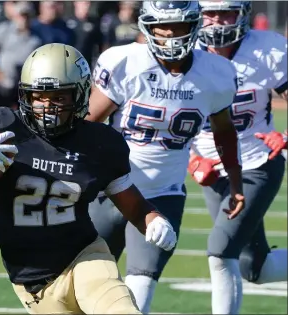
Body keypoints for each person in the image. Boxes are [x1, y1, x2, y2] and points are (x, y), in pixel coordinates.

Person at [0, 43, 178, 315]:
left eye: (59, 97)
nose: (48, 107)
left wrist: (154, 221)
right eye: (40, 97)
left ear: (79, 95)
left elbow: (134, 205)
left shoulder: (100, 143)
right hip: (30, 279)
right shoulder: (0, 128)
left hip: (84, 256)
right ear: (26, 95)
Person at [87, 1, 245, 313]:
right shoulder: (124, 61)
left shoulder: (215, 72)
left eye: (178, 25)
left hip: (163, 194)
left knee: (139, 289)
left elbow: (224, 130)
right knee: (84, 283)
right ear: (147, 25)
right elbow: (87, 125)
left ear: (194, 25)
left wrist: (235, 181)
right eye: (163, 25)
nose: (170, 34)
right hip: (110, 188)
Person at [189, 2, 287, 314]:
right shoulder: (185, 50)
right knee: (255, 268)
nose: (217, 22)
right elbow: (170, 117)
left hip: (257, 163)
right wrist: (192, 158)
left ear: (241, 14)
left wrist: (286, 138)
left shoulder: (268, 49)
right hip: (212, 169)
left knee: (220, 253)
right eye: (210, 14)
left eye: (226, 14)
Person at [0, 1, 41, 109]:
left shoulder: (36, 37)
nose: (24, 19)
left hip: (25, 84)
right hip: (5, 82)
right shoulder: (4, 29)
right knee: (1, 115)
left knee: (24, 115)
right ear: (16, 15)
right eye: (21, 15)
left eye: (27, 15)